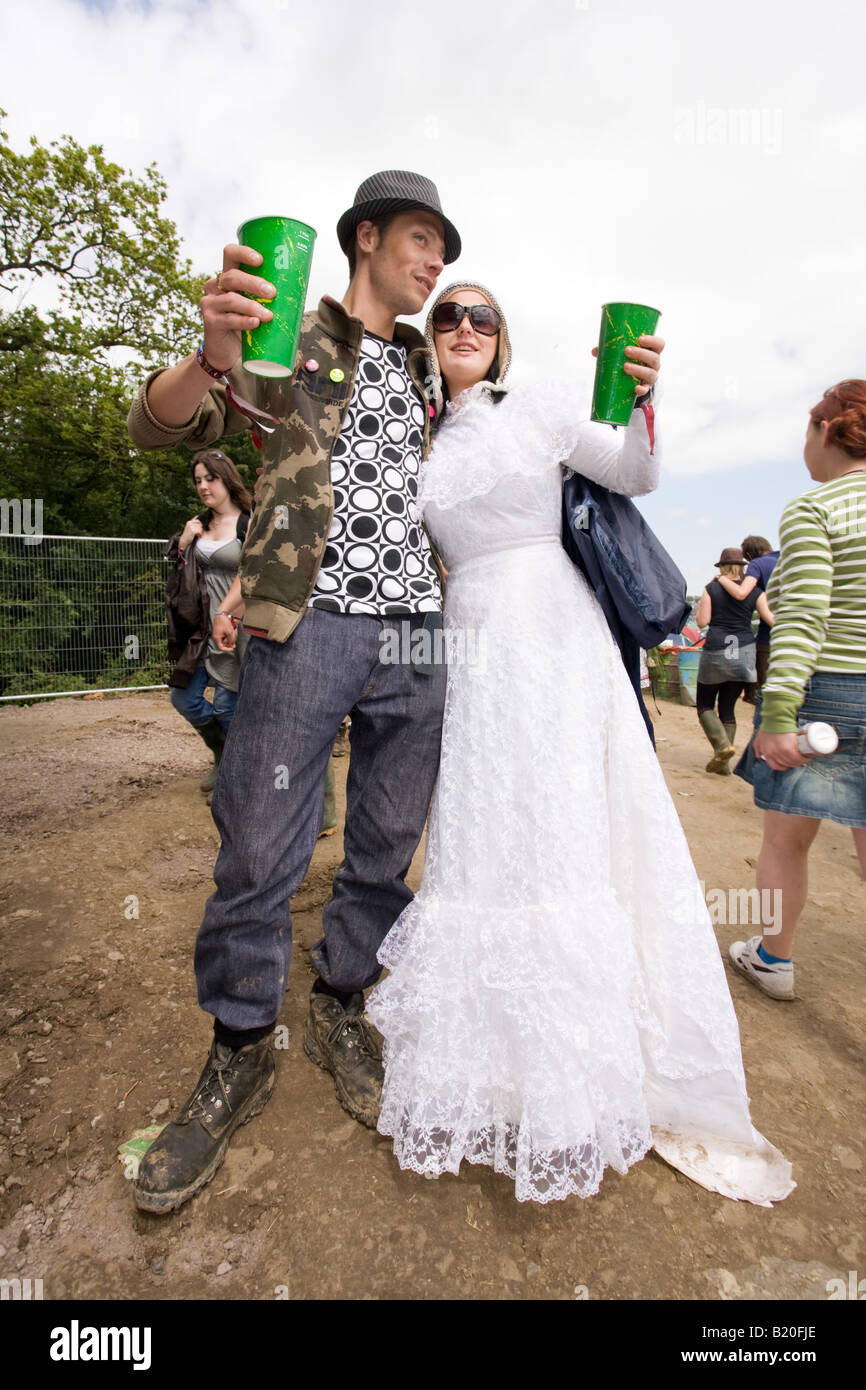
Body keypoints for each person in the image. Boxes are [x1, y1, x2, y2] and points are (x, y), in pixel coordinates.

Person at [365, 282, 794, 1206]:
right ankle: (493, 1068)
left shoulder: (547, 404)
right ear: (429, 341)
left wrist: (641, 398)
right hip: (468, 642)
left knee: (563, 825)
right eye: (447, 316)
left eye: (482, 316)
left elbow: (635, 473)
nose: (465, 328)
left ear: (502, 337)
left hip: (554, 636)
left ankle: (583, 1069)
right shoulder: (417, 440)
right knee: (485, 833)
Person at [125, 170, 460, 1214]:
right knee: (263, 840)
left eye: (443, 251)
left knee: (384, 838)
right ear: (364, 237)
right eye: (418, 240)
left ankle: (339, 1001)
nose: (433, 262)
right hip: (305, 623)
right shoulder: (293, 338)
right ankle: (237, 1045)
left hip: (415, 634)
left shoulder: (425, 366)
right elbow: (165, 428)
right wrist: (210, 351)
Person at [730, 381, 866, 999]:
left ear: (825, 429)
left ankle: (773, 958)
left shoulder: (817, 509)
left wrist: (779, 714)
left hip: (825, 695)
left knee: (787, 840)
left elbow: (805, 617)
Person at [165, 449, 251, 793]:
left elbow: (260, 571)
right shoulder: (198, 525)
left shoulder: (250, 521)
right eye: (198, 480)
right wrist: (183, 543)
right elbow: (176, 568)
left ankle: (233, 776)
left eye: (210, 478)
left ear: (226, 478)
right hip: (201, 628)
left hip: (237, 626)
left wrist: (231, 614)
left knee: (229, 705)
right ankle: (222, 752)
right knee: (183, 697)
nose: (203, 486)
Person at [693, 549, 758, 775]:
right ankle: (723, 764)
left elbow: (702, 622)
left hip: (717, 650)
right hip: (745, 651)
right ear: (741, 567)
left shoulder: (712, 588)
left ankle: (722, 746)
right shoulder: (755, 591)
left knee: (704, 705)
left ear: (721, 567)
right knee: (728, 708)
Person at [716, 535, 780, 702]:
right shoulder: (787, 560)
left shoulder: (757, 564)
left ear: (750, 556)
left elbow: (741, 592)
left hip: (768, 640)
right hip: (796, 637)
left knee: (764, 696)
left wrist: (721, 578)